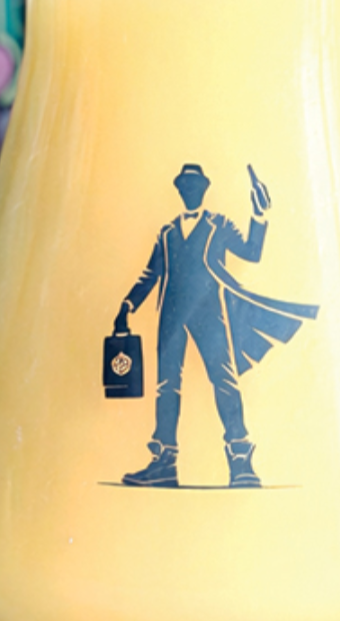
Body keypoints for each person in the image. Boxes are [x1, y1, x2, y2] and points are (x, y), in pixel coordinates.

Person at [115, 164, 317, 488]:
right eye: (185, 185)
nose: (190, 189)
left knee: (223, 379)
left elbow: (251, 252)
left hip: (208, 313)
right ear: (179, 189)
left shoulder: (217, 225)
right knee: (167, 385)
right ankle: (163, 462)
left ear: (204, 189)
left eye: (195, 184)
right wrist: (127, 306)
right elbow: (150, 275)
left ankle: (240, 459)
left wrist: (259, 215)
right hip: (171, 315)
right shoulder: (167, 233)